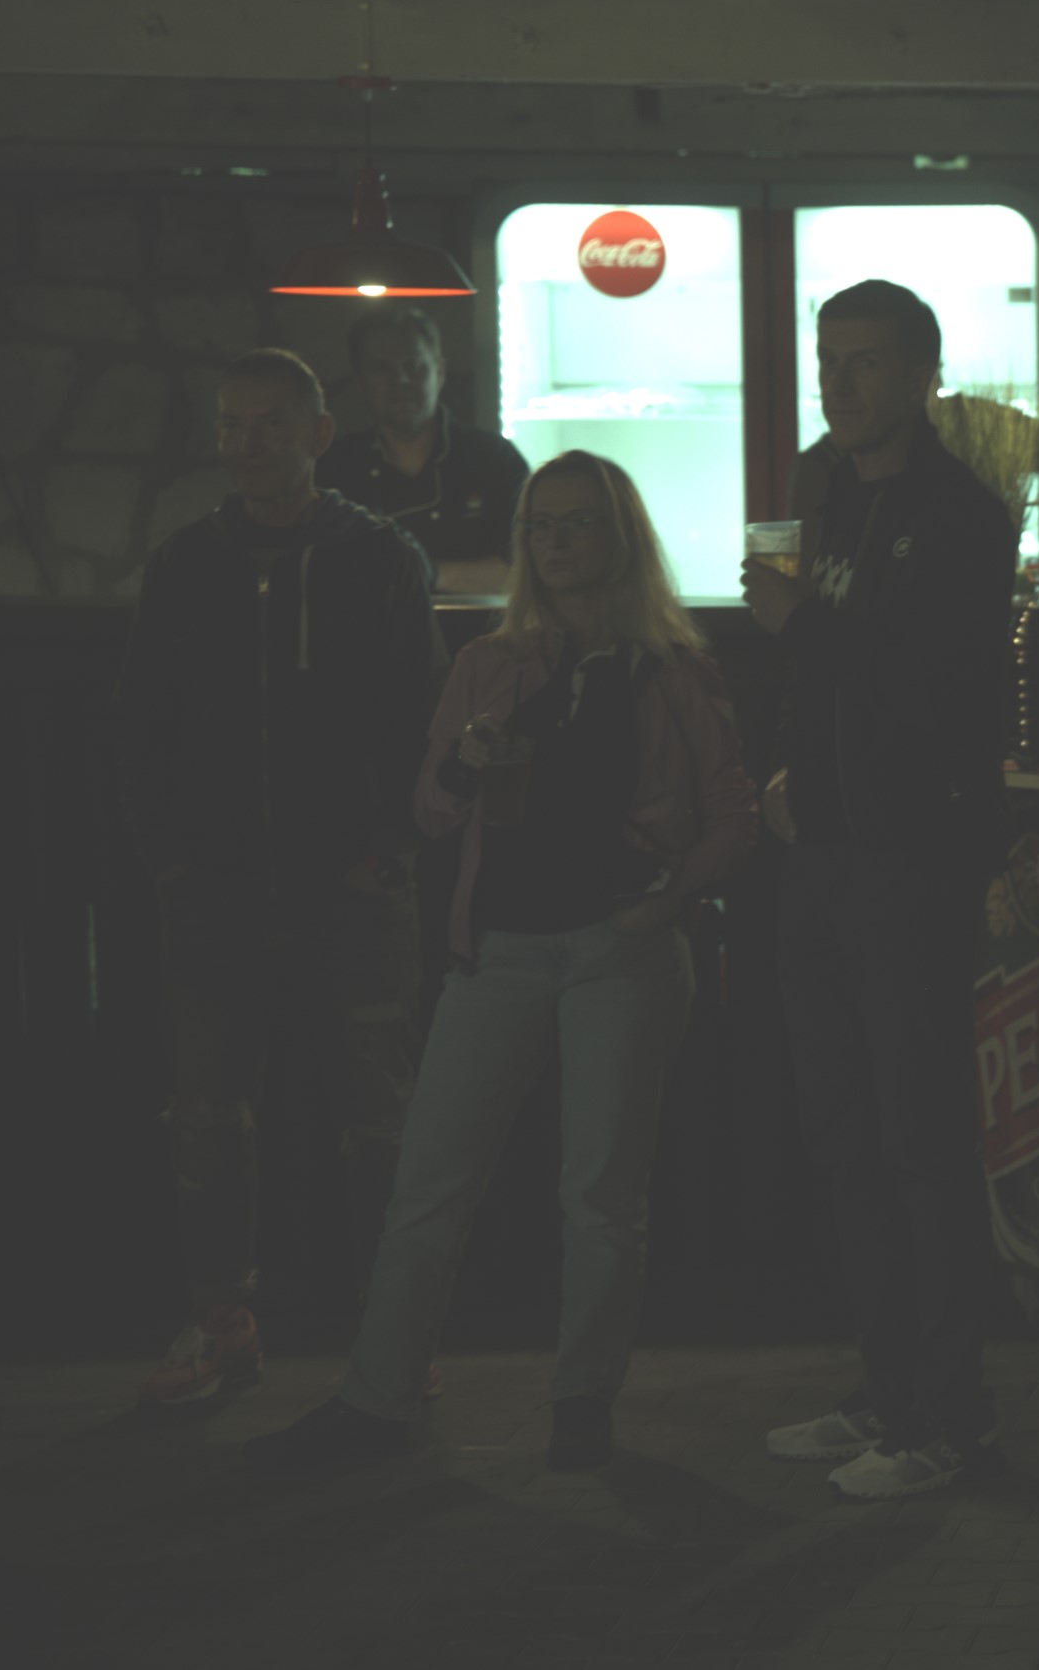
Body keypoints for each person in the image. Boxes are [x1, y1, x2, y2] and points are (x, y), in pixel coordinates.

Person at [244, 451, 757, 1475]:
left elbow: (733, 813)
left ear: (620, 535)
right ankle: (375, 1398)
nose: (556, 542)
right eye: (541, 525)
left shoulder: (672, 669)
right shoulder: (490, 662)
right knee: (428, 1188)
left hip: (620, 949)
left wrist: (669, 901)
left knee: (599, 1199)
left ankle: (581, 1406)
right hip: (502, 953)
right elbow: (430, 811)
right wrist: (463, 764)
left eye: (578, 522)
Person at [113, 347, 444, 1407]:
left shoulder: (380, 558)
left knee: (377, 1118)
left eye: (267, 422)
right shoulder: (186, 562)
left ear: (317, 434)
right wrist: (172, 859)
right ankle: (222, 1327)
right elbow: (145, 727)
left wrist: (386, 848)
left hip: (352, 889)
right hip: (214, 891)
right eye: (230, 423)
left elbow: (419, 716)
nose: (245, 443)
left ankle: (393, 1339)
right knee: (206, 1118)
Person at [741, 278, 1015, 1501]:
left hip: (911, 861)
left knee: (919, 1142)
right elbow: (831, 693)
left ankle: (949, 1413)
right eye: (827, 360)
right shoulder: (827, 496)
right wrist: (788, 772)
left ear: (921, 375)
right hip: (825, 855)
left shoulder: (961, 515)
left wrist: (800, 625)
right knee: (842, 1139)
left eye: (863, 362)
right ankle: (887, 1389)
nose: (839, 384)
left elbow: (930, 692)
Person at [315, 305, 531, 596]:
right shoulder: (336, 468)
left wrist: (427, 573)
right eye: (382, 368)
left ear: (439, 372)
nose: (400, 379)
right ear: (360, 380)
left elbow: (529, 571)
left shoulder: (494, 459)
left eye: (413, 365)